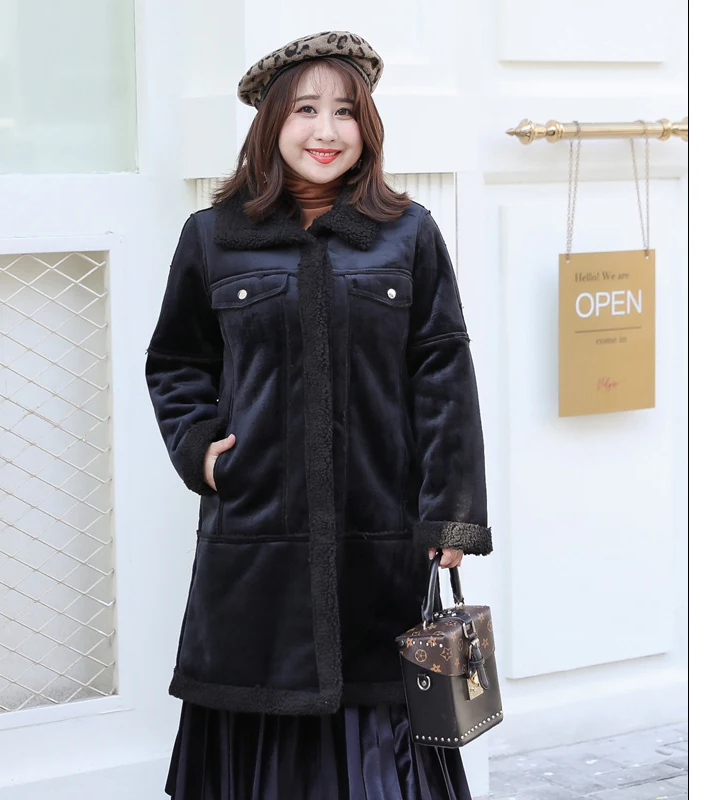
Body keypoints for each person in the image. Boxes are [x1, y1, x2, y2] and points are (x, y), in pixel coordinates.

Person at [146, 30, 493, 800]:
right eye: (306, 109)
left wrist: (452, 513)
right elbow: (176, 362)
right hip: (255, 538)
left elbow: (443, 374)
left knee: (378, 713)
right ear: (271, 121)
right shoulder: (212, 238)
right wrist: (201, 450)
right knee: (259, 696)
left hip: (380, 532)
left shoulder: (408, 233)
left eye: (346, 111)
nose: (327, 130)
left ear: (368, 126)